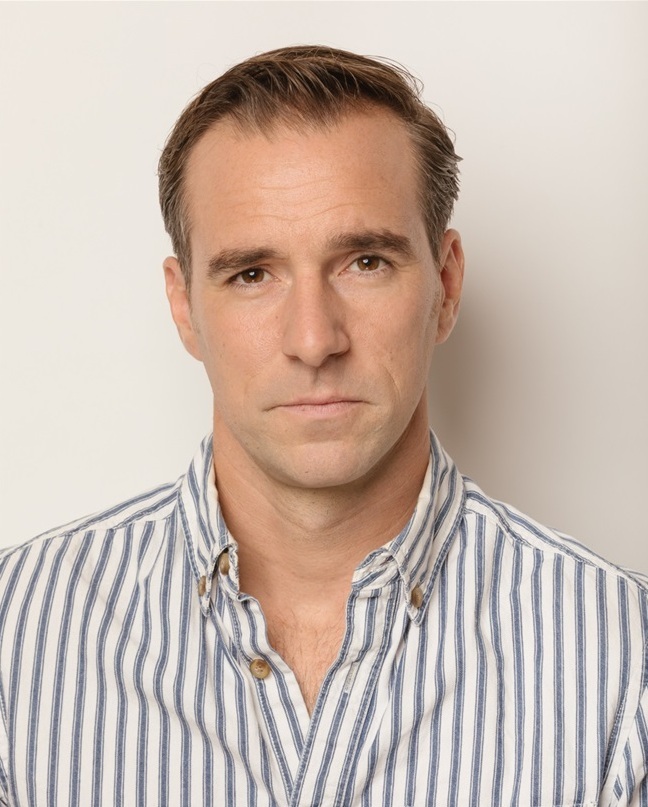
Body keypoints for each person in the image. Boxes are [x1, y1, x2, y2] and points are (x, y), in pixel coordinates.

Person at [0, 45, 646, 807]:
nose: (313, 340)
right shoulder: (17, 639)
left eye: (365, 262)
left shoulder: (623, 661)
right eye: (252, 274)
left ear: (445, 286)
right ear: (184, 307)